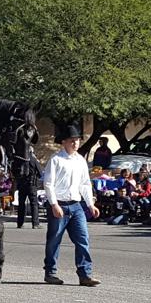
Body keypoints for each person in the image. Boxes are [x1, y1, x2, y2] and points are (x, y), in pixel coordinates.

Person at [42, 123, 101, 287]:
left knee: (83, 239)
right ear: (64, 142)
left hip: (76, 206)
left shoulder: (80, 160)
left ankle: (85, 274)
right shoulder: (55, 160)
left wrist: (90, 204)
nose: (75, 143)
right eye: (71, 140)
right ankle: (50, 272)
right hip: (60, 204)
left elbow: (85, 184)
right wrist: (54, 205)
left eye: (77, 140)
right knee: (54, 240)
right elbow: (48, 184)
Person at [12, 146, 42, 229]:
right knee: (34, 204)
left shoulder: (19, 160)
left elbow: (14, 171)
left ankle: (20, 223)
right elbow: (40, 173)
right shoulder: (33, 159)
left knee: (21, 204)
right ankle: (35, 224)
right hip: (31, 184)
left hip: (21, 184)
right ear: (31, 152)